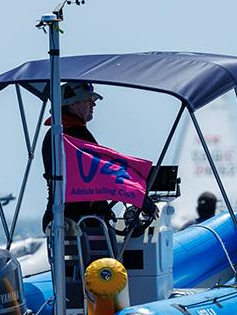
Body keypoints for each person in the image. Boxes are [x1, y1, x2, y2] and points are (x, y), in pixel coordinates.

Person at [41, 82, 157, 231]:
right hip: (83, 222)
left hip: (64, 219)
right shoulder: (73, 136)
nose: (93, 104)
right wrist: (143, 201)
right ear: (72, 104)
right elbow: (105, 174)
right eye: (88, 99)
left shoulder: (56, 134)